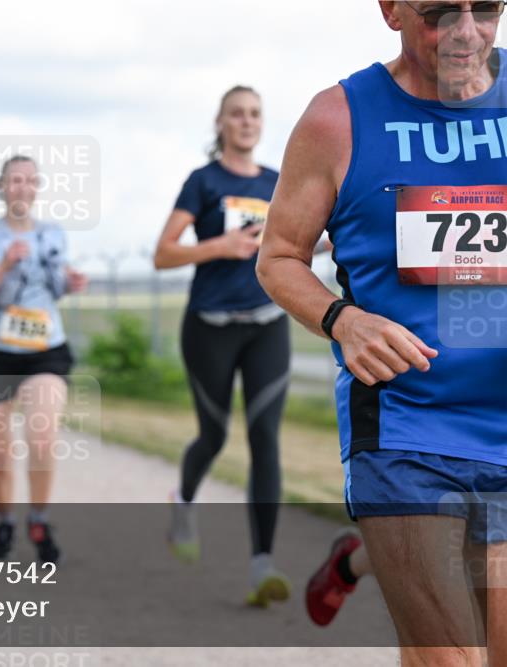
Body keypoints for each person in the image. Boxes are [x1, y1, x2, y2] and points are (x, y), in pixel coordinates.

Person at [256, 3, 505, 664]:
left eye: (488, 9)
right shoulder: (338, 118)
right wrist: (344, 319)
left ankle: (353, 559)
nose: (467, 31)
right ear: (391, 9)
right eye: (440, 12)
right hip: (405, 428)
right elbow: (278, 256)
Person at [153, 85, 297, 608]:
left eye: (255, 113)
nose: (246, 121)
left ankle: (263, 565)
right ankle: (183, 503)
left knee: (265, 437)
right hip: (209, 327)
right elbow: (163, 254)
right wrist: (221, 246)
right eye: (236, 114)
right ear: (220, 123)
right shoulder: (203, 181)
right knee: (214, 436)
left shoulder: (277, 183)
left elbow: (299, 238)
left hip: (266, 323)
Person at [0, 155, 88, 563]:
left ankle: (38, 518)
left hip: (43, 350)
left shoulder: (53, 233)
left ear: (37, 188)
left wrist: (70, 282)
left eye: (30, 181)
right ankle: (5, 521)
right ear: (2, 188)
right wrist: (3, 264)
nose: (22, 188)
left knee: (43, 436)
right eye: (14, 180)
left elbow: (52, 285)